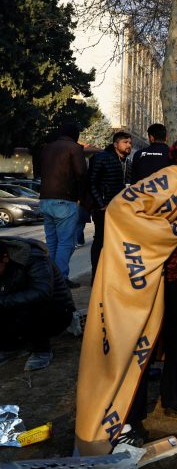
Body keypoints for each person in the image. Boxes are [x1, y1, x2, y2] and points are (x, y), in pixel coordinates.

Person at [75, 132, 177, 455]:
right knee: (131, 345)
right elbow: (120, 210)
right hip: (142, 275)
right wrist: (171, 233)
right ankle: (124, 419)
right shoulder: (173, 177)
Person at [0, 237, 74, 371]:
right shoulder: (4, 263)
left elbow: (42, 292)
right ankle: (10, 346)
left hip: (56, 311)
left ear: (5, 257)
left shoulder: (32, 257)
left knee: (24, 304)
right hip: (25, 311)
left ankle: (41, 350)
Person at [39, 122, 87, 288]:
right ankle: (61, 279)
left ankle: (50, 278)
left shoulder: (47, 148)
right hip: (65, 200)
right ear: (75, 134)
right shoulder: (74, 148)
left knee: (51, 242)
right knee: (66, 242)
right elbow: (81, 173)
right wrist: (82, 197)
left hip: (45, 199)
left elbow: (39, 171)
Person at [88, 131, 132, 282]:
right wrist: (101, 204)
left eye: (130, 143)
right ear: (115, 144)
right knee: (100, 240)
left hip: (120, 209)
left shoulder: (126, 161)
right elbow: (91, 182)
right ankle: (96, 276)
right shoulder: (101, 158)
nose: (129, 145)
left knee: (117, 242)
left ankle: (112, 275)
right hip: (103, 208)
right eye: (125, 142)